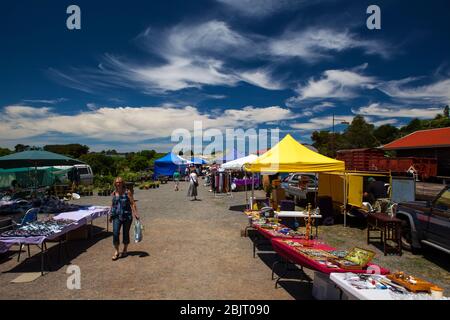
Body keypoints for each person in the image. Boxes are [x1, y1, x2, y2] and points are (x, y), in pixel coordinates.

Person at [110, 177, 140, 261]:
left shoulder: (127, 192)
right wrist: (111, 215)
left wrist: (135, 213)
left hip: (127, 216)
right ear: (115, 183)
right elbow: (113, 204)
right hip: (116, 216)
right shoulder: (114, 193)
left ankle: (125, 250)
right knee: (115, 233)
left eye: (120, 182)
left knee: (125, 233)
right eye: (117, 182)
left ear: (123, 183)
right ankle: (116, 251)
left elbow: (132, 203)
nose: (118, 184)